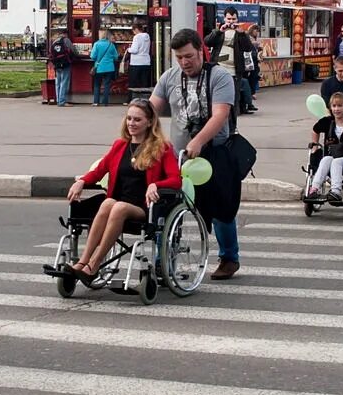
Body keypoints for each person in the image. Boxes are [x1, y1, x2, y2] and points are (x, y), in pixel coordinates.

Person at [151, 28, 241, 280]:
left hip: (214, 152)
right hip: (179, 157)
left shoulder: (219, 76)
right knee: (168, 207)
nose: (184, 62)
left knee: (221, 207)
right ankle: (163, 260)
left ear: (200, 50)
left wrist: (199, 141)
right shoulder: (169, 77)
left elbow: (220, 113)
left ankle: (229, 258)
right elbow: (152, 107)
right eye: (179, 57)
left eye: (189, 56)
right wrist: (137, 122)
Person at [63, 99, 181, 283]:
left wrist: (156, 185)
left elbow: (176, 179)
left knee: (118, 207)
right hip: (117, 203)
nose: (131, 124)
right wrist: (82, 181)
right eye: (129, 119)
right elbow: (99, 171)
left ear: (149, 122)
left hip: (144, 207)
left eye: (137, 120)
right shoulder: (120, 146)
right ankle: (83, 262)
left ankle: (94, 264)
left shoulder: (162, 148)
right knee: (108, 203)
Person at [204, 7, 254, 116]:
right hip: (218, 68)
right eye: (229, 19)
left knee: (233, 98)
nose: (231, 22)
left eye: (233, 19)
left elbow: (248, 47)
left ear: (237, 19)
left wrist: (241, 34)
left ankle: (232, 126)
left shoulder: (240, 33)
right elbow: (207, 42)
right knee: (215, 96)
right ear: (224, 18)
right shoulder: (219, 31)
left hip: (234, 70)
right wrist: (219, 31)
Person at [89, 29, 119, 107]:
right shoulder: (111, 44)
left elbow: (92, 56)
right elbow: (116, 57)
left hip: (99, 68)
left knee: (97, 85)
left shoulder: (97, 44)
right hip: (109, 68)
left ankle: (96, 102)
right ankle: (105, 102)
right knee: (107, 85)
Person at [50, 30, 78, 107]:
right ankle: (62, 101)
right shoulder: (66, 40)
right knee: (64, 82)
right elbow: (74, 51)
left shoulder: (54, 41)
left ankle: (59, 100)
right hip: (65, 63)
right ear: (66, 34)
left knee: (58, 82)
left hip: (57, 64)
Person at [126, 22, 153, 88]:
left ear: (136, 29)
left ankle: (134, 97)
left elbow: (135, 50)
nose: (133, 32)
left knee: (134, 84)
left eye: (133, 30)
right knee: (144, 83)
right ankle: (144, 97)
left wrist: (128, 49)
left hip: (136, 63)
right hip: (146, 62)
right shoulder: (147, 36)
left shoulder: (137, 37)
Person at [247, 25, 264, 100]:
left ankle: (252, 92)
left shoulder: (255, 39)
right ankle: (251, 92)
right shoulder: (248, 38)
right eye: (256, 31)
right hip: (250, 60)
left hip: (255, 60)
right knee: (252, 77)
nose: (257, 33)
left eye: (258, 31)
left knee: (254, 76)